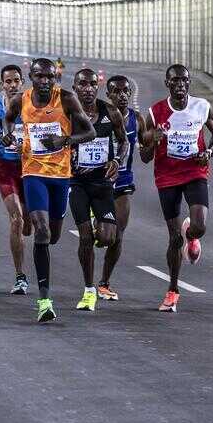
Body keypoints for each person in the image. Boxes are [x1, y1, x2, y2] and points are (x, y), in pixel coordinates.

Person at [2, 58, 94, 323]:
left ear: (56, 79)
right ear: (31, 77)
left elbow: (88, 132)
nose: (44, 81)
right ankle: (44, 300)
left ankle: (44, 289)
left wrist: (63, 140)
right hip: (33, 172)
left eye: (49, 77)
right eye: (40, 76)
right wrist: (8, 134)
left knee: (52, 236)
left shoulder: (66, 99)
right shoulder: (21, 100)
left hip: (61, 175)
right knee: (40, 230)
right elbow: (8, 119)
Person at [140, 64, 213, 313]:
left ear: (189, 83)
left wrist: (208, 151)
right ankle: (173, 290)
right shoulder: (155, 113)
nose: (180, 85)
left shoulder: (201, 107)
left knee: (199, 226)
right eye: (175, 81)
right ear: (167, 83)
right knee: (174, 238)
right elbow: (144, 156)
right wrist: (152, 142)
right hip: (166, 176)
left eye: (184, 81)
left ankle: (193, 235)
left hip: (194, 171)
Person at [69, 69, 128, 311]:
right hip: (77, 183)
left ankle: (99, 223)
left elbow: (124, 141)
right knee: (85, 237)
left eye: (92, 84)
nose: (88, 88)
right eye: (82, 84)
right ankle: (89, 290)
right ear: (75, 87)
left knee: (107, 237)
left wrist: (117, 161)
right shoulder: (68, 115)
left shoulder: (110, 112)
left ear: (98, 86)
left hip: (102, 183)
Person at [0, 64, 31, 295]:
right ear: (2, 84)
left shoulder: (33, 105)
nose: (12, 85)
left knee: (28, 227)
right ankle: (20, 277)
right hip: (7, 170)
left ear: (22, 82)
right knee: (16, 220)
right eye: (8, 81)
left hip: (30, 170)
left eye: (16, 80)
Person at [99, 75, 138, 300]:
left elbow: (145, 153)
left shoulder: (136, 119)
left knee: (117, 236)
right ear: (108, 95)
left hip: (123, 182)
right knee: (103, 236)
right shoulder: (98, 116)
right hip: (98, 182)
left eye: (126, 91)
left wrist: (153, 142)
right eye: (117, 91)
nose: (122, 95)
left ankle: (104, 282)